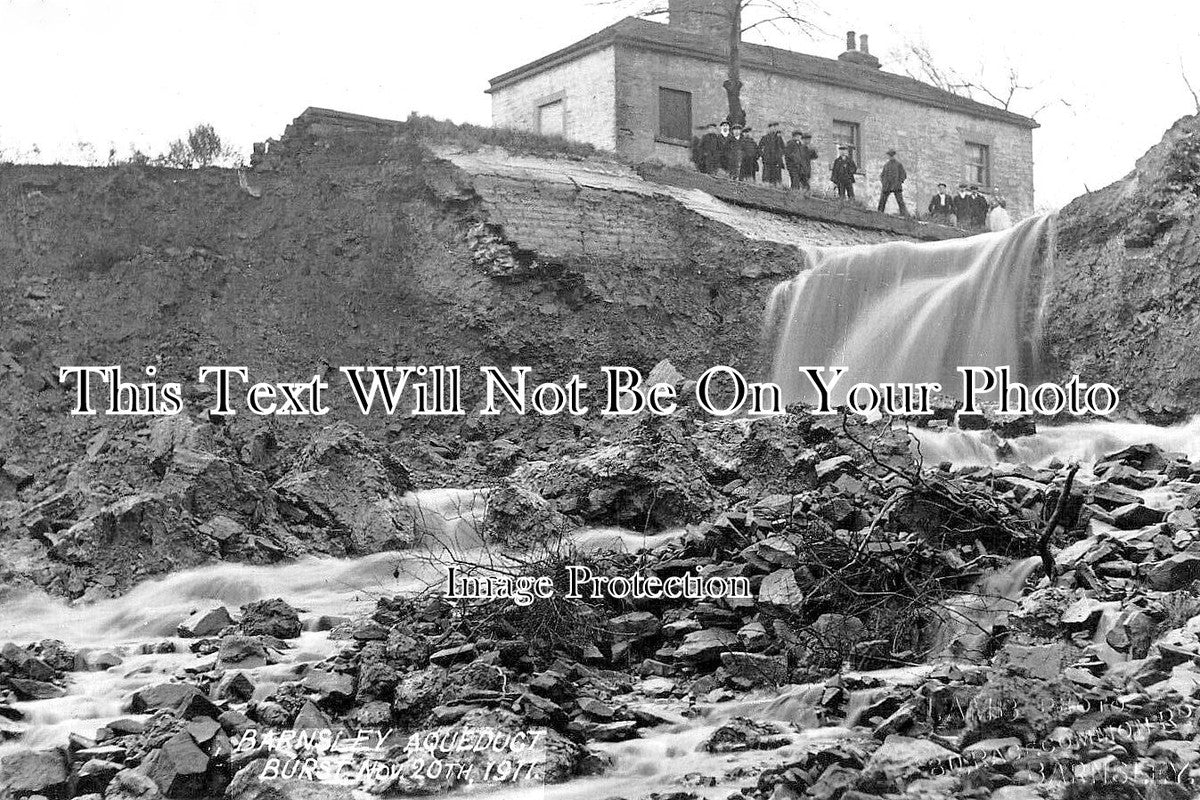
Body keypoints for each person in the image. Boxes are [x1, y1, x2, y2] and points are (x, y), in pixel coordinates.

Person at [878, 149, 908, 215]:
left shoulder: (898, 164)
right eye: (889, 156)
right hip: (887, 186)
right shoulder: (886, 165)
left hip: (896, 185)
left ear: (894, 156)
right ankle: (879, 213)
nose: (890, 157)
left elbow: (903, 174)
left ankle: (904, 214)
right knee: (882, 201)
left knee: (900, 201)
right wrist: (883, 182)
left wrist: (900, 181)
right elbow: (882, 175)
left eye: (891, 155)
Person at [758, 122, 786, 186]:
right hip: (767, 161)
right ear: (769, 128)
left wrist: (779, 154)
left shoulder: (779, 138)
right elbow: (759, 148)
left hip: (776, 162)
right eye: (771, 127)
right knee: (766, 179)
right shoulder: (765, 138)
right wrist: (763, 155)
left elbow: (784, 149)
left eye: (774, 127)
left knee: (776, 180)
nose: (773, 129)